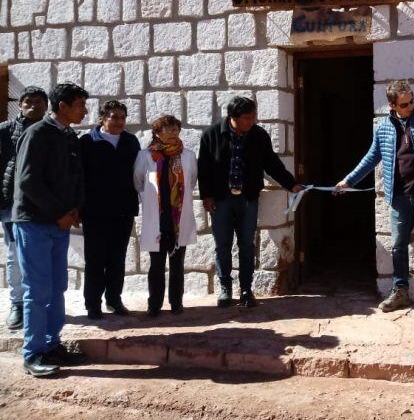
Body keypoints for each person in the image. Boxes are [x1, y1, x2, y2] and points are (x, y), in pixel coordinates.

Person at [337, 80, 414, 316]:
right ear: (392, 105)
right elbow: (371, 158)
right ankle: (401, 291)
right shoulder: (383, 126)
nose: (411, 106)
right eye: (405, 104)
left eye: (412, 101)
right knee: (398, 245)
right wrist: (348, 181)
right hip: (399, 196)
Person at [13, 82, 89, 377]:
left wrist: (75, 209)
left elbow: (76, 176)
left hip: (60, 223)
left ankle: (52, 343)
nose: (84, 110)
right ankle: (33, 353)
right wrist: (59, 212)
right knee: (37, 289)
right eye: (80, 105)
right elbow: (28, 181)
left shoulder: (68, 136)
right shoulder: (37, 134)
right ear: (63, 106)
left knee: (58, 286)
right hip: (34, 222)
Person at [198, 96, 301, 308]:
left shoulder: (259, 136)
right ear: (233, 118)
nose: (252, 121)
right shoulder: (211, 135)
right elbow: (204, 169)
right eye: (247, 117)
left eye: (253, 116)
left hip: (248, 199)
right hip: (220, 200)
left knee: (246, 245)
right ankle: (225, 289)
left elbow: (272, 164)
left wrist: (291, 183)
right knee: (222, 245)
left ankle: (246, 289)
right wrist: (206, 196)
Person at [80, 100, 141, 320]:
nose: (119, 122)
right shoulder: (87, 142)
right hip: (95, 212)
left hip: (123, 210)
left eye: (122, 118)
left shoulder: (131, 142)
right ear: (102, 118)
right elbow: (79, 177)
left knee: (117, 258)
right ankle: (93, 304)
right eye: (114, 117)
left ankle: (114, 299)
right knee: (95, 260)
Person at [133, 115, 197, 317]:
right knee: (157, 265)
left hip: (178, 217)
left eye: (175, 129)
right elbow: (138, 181)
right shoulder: (146, 156)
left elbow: (192, 180)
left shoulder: (187, 155)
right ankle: (154, 304)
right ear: (157, 132)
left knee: (177, 265)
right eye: (167, 129)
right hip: (157, 217)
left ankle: (176, 303)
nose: (172, 133)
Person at [0, 86, 48, 331]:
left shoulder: (52, 132)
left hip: (44, 206)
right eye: (28, 101)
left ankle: (39, 305)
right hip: (12, 205)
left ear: (46, 106)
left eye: (39, 102)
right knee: (15, 255)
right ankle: (17, 304)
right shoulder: (5, 131)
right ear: (19, 105)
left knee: (41, 256)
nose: (33, 106)